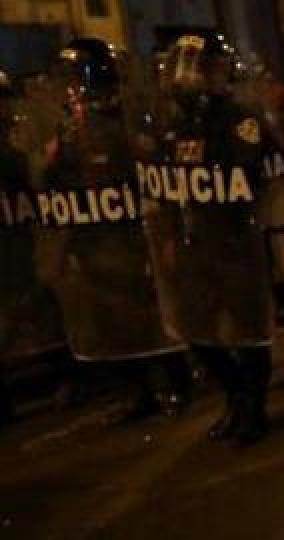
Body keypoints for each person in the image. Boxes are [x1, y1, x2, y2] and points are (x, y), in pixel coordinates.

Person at [42, 38, 193, 421]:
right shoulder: (68, 134)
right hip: (93, 241)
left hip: (129, 238)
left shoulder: (124, 123)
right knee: (110, 320)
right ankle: (135, 393)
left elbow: (151, 175)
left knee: (149, 312)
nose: (70, 90)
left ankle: (176, 382)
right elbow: (55, 185)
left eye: (75, 80)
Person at [143, 32, 281, 445]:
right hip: (193, 240)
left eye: (197, 69)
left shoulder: (241, 117)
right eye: (182, 68)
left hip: (235, 240)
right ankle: (235, 396)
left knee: (247, 329)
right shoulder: (174, 122)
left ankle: (253, 406)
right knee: (197, 329)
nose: (187, 78)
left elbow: (254, 174)